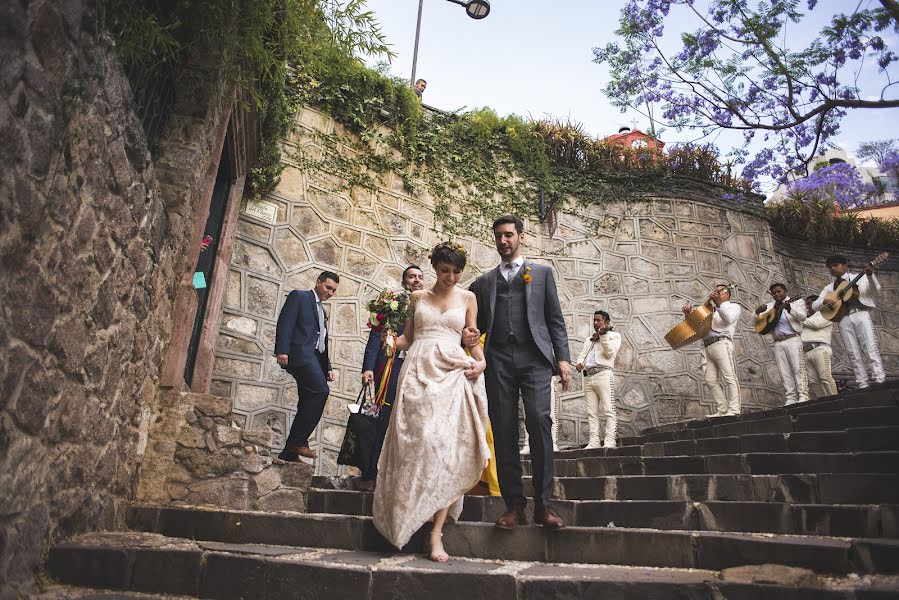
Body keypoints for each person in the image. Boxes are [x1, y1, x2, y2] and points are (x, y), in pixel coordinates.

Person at [373, 242, 490, 563]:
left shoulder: (468, 298)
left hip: (452, 371)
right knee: (418, 442)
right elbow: (407, 339)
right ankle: (410, 509)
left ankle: (436, 533)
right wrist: (386, 339)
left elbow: (471, 339)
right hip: (417, 371)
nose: (450, 277)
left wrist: (480, 362)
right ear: (433, 268)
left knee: (444, 447)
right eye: (444, 270)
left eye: (456, 271)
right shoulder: (417, 298)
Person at [464, 214, 571, 530]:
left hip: (535, 359)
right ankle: (513, 506)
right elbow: (470, 323)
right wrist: (467, 336)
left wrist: (562, 359)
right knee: (504, 430)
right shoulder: (483, 283)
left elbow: (555, 320)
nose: (503, 241)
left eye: (509, 235)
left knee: (539, 421)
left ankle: (544, 505)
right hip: (498, 362)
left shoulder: (542, 274)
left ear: (521, 237)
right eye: (498, 236)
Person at [358, 265, 425, 492]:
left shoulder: (428, 303)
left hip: (418, 370)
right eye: (412, 277)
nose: (416, 280)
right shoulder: (393, 302)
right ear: (404, 281)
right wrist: (368, 367)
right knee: (382, 420)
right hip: (391, 367)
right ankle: (368, 473)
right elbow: (377, 335)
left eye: (420, 277)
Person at [274, 271, 339, 461]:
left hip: (314, 359)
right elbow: (285, 322)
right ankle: (299, 441)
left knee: (307, 400)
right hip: (300, 354)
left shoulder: (322, 311)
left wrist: (327, 366)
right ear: (318, 283)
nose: (330, 293)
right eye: (328, 287)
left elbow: (322, 341)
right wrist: (282, 350)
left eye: (334, 291)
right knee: (320, 391)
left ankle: (289, 453)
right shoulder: (300, 296)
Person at [812, 255, 885, 389]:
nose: (832, 268)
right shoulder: (829, 288)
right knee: (853, 352)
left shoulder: (860, 277)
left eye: (835, 265)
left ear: (845, 266)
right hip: (843, 319)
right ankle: (862, 384)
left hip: (860, 313)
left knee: (870, 347)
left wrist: (870, 276)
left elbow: (876, 291)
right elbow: (814, 305)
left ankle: (879, 380)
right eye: (830, 267)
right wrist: (823, 301)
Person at [682, 283, 741, 417]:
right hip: (707, 346)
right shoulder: (711, 311)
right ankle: (722, 409)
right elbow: (696, 329)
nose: (715, 293)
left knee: (729, 376)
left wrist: (719, 304)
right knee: (710, 380)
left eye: (719, 291)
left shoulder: (734, 307)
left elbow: (728, 319)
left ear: (727, 294)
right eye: (715, 291)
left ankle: (734, 409)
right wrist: (688, 316)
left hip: (722, 343)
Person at [755, 283, 809, 405]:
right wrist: (756, 312)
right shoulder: (770, 307)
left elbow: (803, 317)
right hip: (778, 341)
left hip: (793, 339)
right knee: (784, 371)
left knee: (798, 368)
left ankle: (803, 395)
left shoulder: (796, 302)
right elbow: (757, 322)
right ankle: (790, 398)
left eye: (779, 291)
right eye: (774, 293)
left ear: (785, 291)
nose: (777, 294)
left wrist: (790, 308)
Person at [575, 310, 621, 449]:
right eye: (594, 320)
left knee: (608, 409)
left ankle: (609, 441)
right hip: (589, 376)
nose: (595, 322)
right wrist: (579, 363)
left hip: (604, 374)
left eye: (598, 320)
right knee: (591, 412)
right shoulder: (589, 339)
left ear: (606, 322)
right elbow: (582, 355)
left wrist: (603, 335)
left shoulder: (614, 336)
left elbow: (610, 353)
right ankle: (594, 441)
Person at [802, 295, 838, 398]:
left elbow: (816, 324)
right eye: (806, 304)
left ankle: (835, 399)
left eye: (809, 303)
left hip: (820, 349)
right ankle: (822, 402)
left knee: (825, 377)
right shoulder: (806, 319)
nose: (806, 306)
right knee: (813, 381)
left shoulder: (826, 314)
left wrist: (800, 318)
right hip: (807, 351)